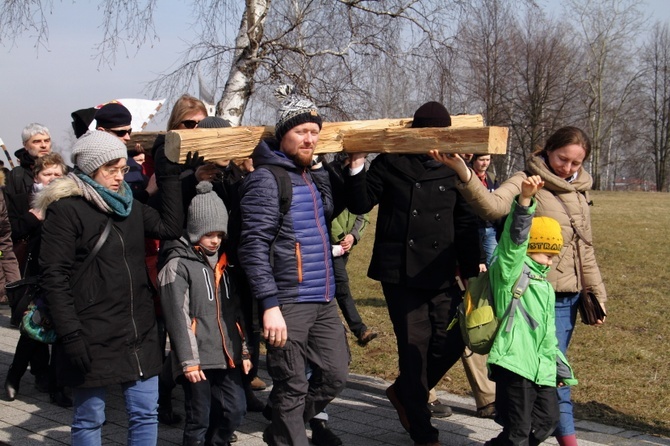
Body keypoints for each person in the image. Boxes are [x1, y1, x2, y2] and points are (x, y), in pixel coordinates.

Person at [430, 125, 607, 446]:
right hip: (524, 288)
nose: (567, 168)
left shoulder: (580, 189)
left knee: (550, 377)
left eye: (575, 163)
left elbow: (586, 247)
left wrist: (595, 293)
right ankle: (528, 431)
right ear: (547, 151)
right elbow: (494, 208)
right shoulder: (528, 178)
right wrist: (465, 173)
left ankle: (517, 427)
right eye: (562, 159)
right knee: (535, 379)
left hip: (567, 296)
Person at [344, 101, 481, 446]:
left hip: (442, 271)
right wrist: (358, 164)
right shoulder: (391, 161)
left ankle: (405, 391)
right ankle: (423, 431)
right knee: (414, 349)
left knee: (453, 340)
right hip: (400, 273)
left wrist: (473, 267)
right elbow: (361, 204)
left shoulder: (455, 167)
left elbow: (465, 221)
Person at [36, 130, 183, 445]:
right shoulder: (66, 210)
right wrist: (71, 335)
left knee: (146, 412)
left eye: (123, 168)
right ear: (91, 169)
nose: (120, 177)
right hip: (91, 333)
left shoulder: (128, 205)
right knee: (90, 419)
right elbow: (54, 276)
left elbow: (171, 227)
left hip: (138, 329)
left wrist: (168, 172)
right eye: (111, 169)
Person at [238, 86, 349, 446]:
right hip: (288, 301)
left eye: (315, 132)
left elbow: (330, 211)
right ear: (283, 134)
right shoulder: (266, 180)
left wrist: (325, 168)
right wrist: (269, 306)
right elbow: (252, 246)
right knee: (292, 383)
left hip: (324, 297)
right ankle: (290, 435)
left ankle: (282, 429)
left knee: (334, 375)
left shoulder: (309, 175)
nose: (310, 139)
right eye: (301, 132)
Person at [485, 174, 577, 445]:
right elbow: (513, 243)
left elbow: (548, 334)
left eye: (553, 256)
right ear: (531, 249)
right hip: (515, 363)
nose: (550, 262)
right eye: (546, 255)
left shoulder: (545, 286)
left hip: (542, 368)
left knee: (546, 421)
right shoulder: (510, 272)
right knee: (519, 431)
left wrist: (558, 367)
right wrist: (524, 201)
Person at [158, 181, 251, 445]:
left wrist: (243, 350)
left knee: (235, 411)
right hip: (196, 357)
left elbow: (236, 314)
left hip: (227, 355)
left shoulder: (226, 265)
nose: (215, 240)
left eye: (220, 235)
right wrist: (188, 360)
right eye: (209, 234)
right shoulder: (178, 264)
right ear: (195, 230)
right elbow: (177, 316)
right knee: (199, 418)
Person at [5, 153, 70, 407]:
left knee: (63, 331)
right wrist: (34, 217)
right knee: (34, 329)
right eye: (47, 174)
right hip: (36, 275)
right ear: (37, 176)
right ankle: (14, 375)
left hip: (64, 273)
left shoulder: (70, 201)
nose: (53, 179)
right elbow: (10, 233)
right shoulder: (27, 201)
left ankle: (57, 385)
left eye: (57, 174)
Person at [5, 123, 52, 204]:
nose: (44, 145)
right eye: (37, 142)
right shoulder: (16, 176)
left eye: (47, 141)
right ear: (25, 145)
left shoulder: (65, 171)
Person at [471, 154, 500, 265]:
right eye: (481, 159)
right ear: (474, 160)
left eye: (487, 160)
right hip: (473, 227)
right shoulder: (466, 176)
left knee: (492, 263)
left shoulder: (492, 178)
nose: (485, 163)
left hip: (490, 227)